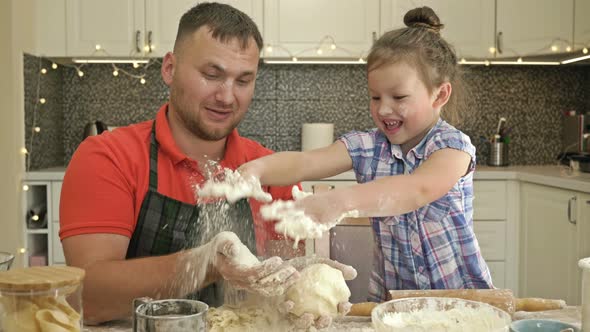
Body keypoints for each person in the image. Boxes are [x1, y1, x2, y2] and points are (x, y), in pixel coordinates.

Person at [59, 2, 354, 325]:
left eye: (243, 80)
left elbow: (278, 296)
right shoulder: (108, 158)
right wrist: (203, 263)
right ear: (169, 68)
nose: (227, 97)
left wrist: (306, 286)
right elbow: (88, 299)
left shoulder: (272, 173)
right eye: (212, 75)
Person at [239, 6, 494, 303]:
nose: (384, 109)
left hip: (459, 300)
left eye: (398, 97)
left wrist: (340, 201)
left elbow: (417, 189)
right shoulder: (368, 146)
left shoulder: (452, 147)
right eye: (375, 97)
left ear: (440, 95)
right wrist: (254, 169)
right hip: (394, 301)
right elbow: (305, 161)